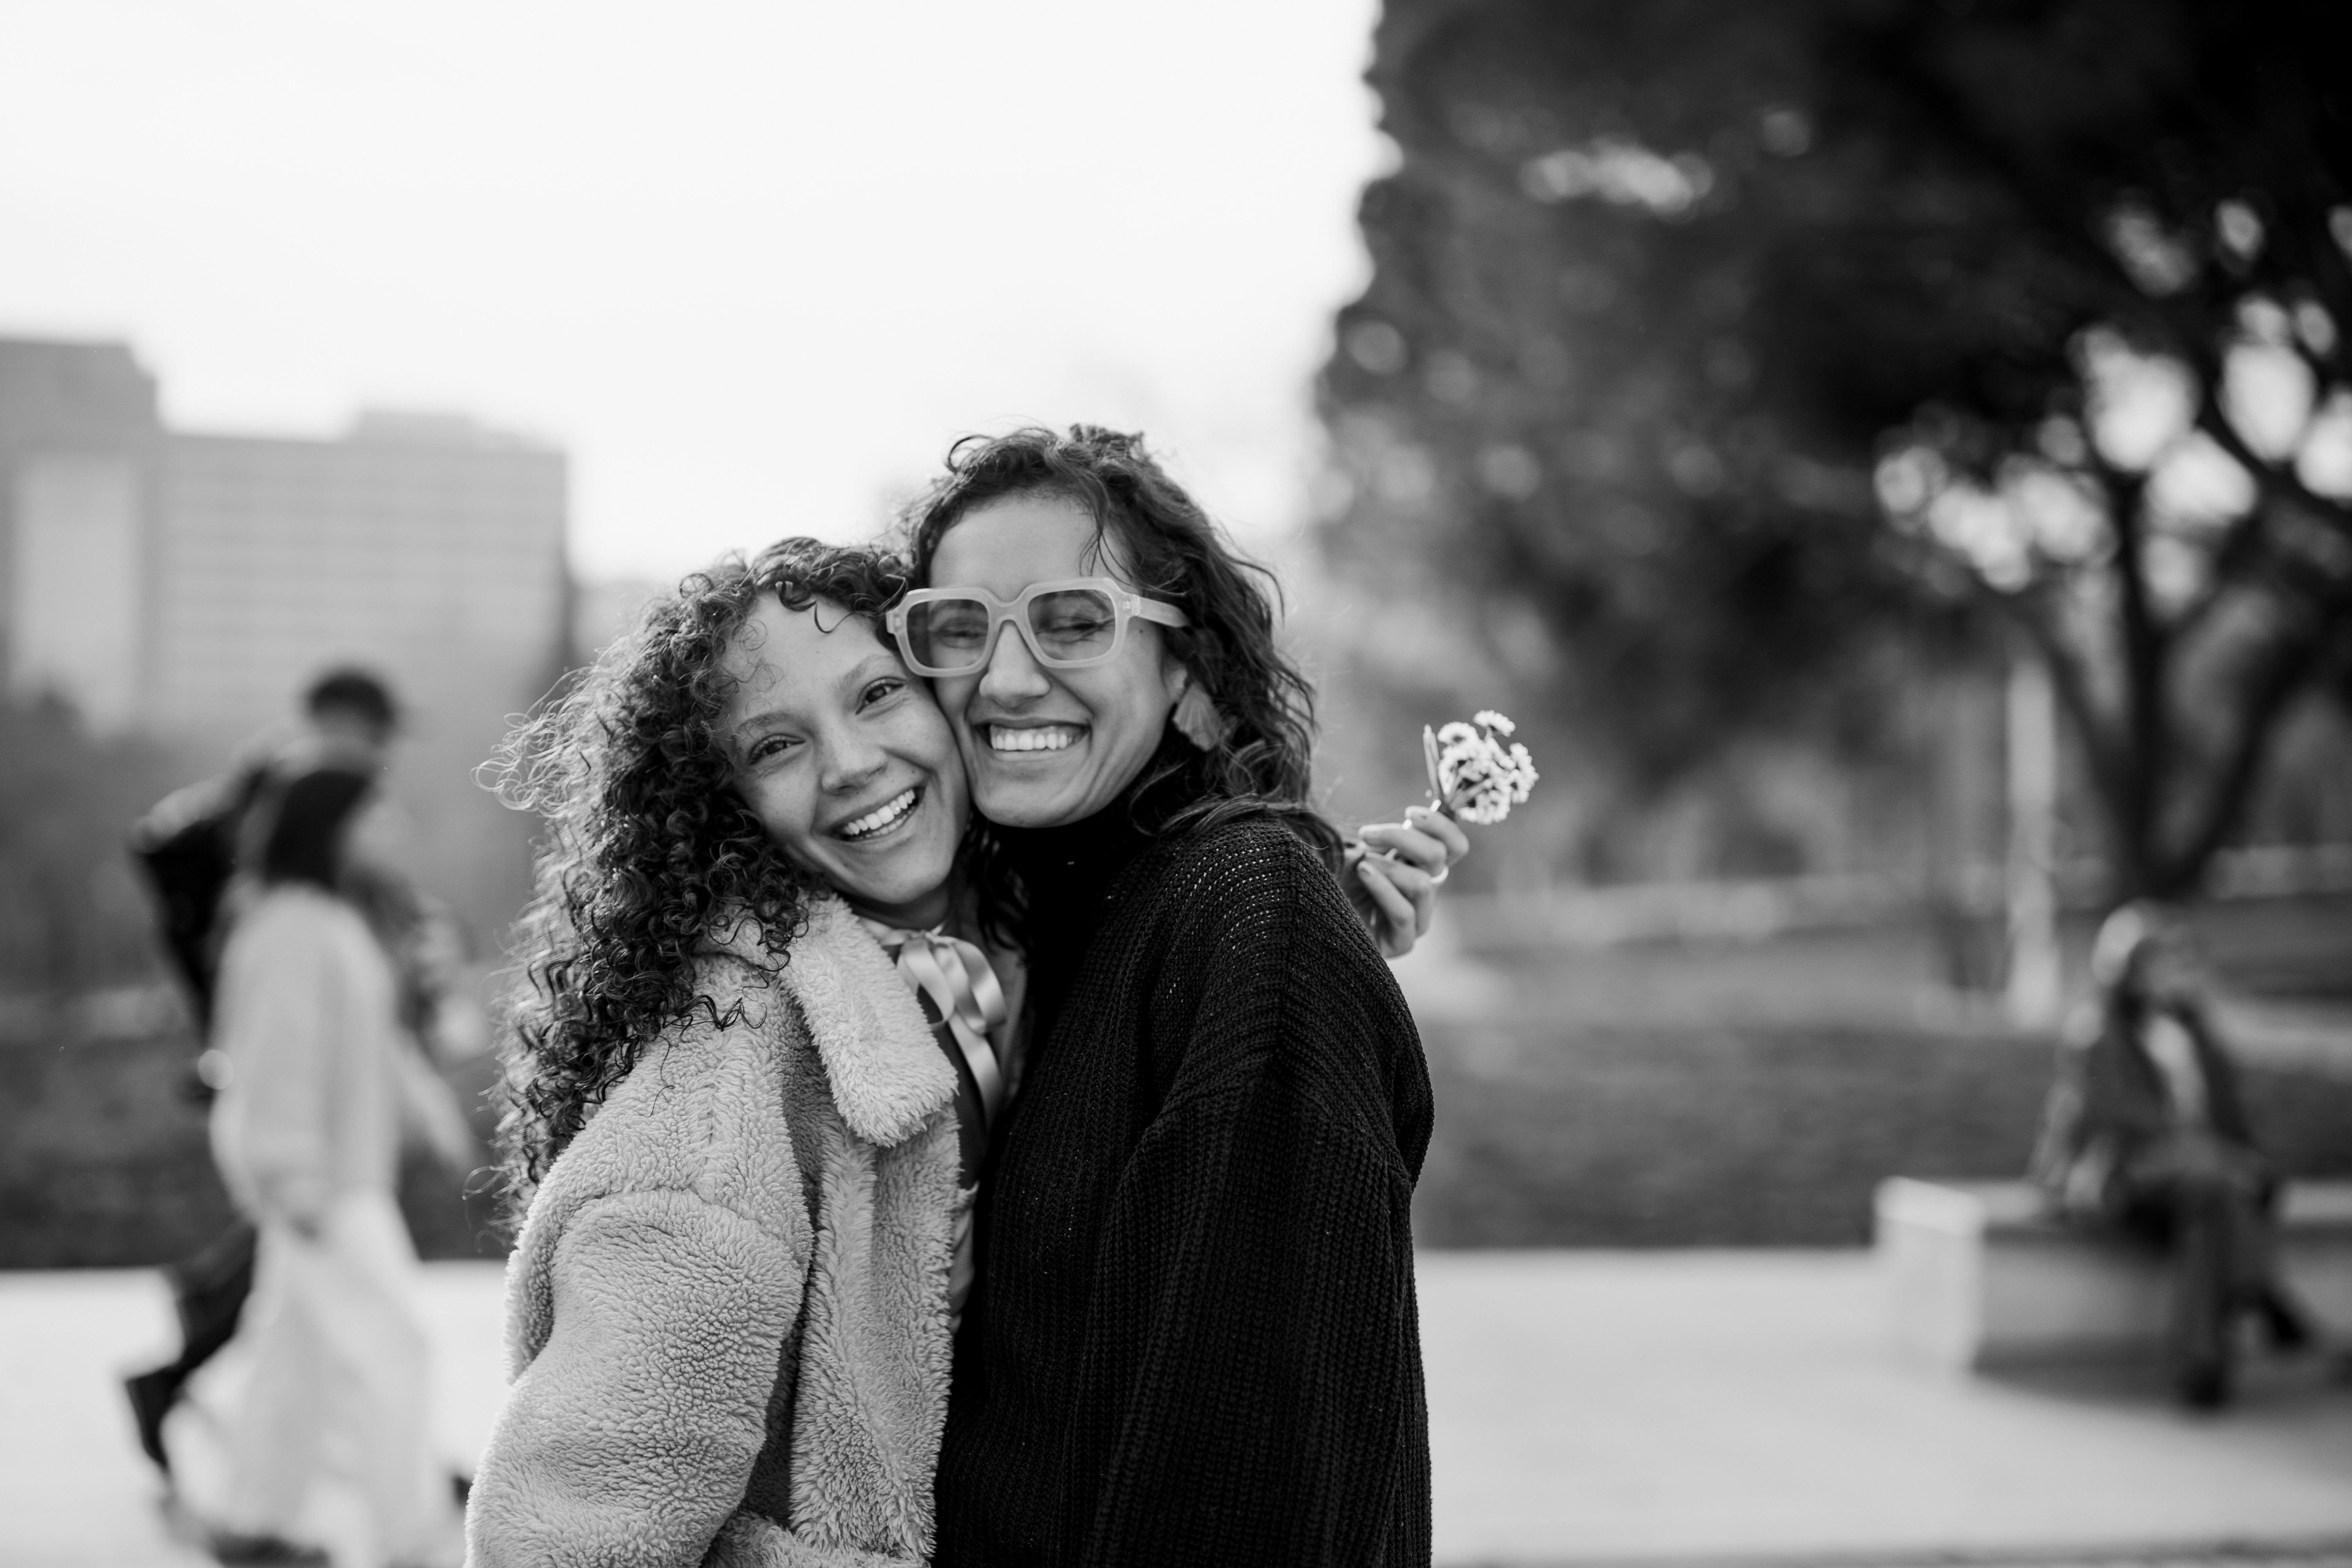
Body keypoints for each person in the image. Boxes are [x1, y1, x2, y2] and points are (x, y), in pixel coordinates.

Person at [465, 537, 1459, 1565]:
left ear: (953, 698)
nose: (850, 764)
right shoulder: (724, 1087)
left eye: (878, 694)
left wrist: (1312, 939)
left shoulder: (1004, 959)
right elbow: (563, 1543)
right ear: (724, 811)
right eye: (774, 747)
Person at [902, 426, 1436, 1565]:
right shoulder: (1053, 935)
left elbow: (1257, 1476)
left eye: (1073, 620)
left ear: (1189, 680)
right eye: (958, 630)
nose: (1003, 677)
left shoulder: (1252, 912)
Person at [123, 668, 452, 1474]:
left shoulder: (305, 795)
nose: (381, 758)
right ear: (333, 720)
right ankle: (395, 1486)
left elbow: (374, 900)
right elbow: (259, 937)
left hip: (333, 1055)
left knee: (300, 1290)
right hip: (292, 1060)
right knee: (338, 1268)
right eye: (373, 732)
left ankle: (260, 1480)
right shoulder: (282, 795)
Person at [193, 764, 457, 1566]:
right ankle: (410, 1536)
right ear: (331, 824)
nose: (392, 825)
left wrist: (430, 1118)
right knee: (393, 1346)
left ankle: (255, 1517)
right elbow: (278, 1058)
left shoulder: (320, 914)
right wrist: (294, 1175)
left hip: (333, 1173)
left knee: (297, 1351)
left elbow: (370, 1040)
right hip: (324, 1183)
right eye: (375, 810)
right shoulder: (293, 924)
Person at [2030, 900, 2317, 1408]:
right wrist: (2223, 1157)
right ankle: (2260, 1292)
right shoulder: (2096, 1032)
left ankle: (2203, 1367)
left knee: (2209, 1208)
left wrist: (2241, 1158)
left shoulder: (2197, 1036)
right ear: (2128, 972)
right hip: (2120, 1175)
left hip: (2196, 1184)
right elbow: (2122, 1123)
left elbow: (2231, 1118)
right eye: (2163, 962)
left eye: (2182, 961)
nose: (2178, 974)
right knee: (2216, 1180)